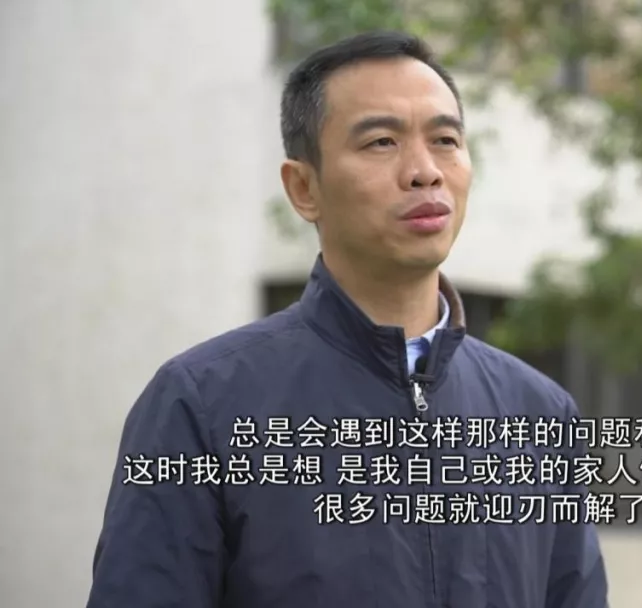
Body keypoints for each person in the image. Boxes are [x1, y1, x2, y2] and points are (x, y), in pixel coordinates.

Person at [87, 30, 608, 608]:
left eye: (445, 140)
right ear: (304, 187)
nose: (425, 172)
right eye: (382, 142)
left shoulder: (539, 414)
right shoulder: (201, 405)